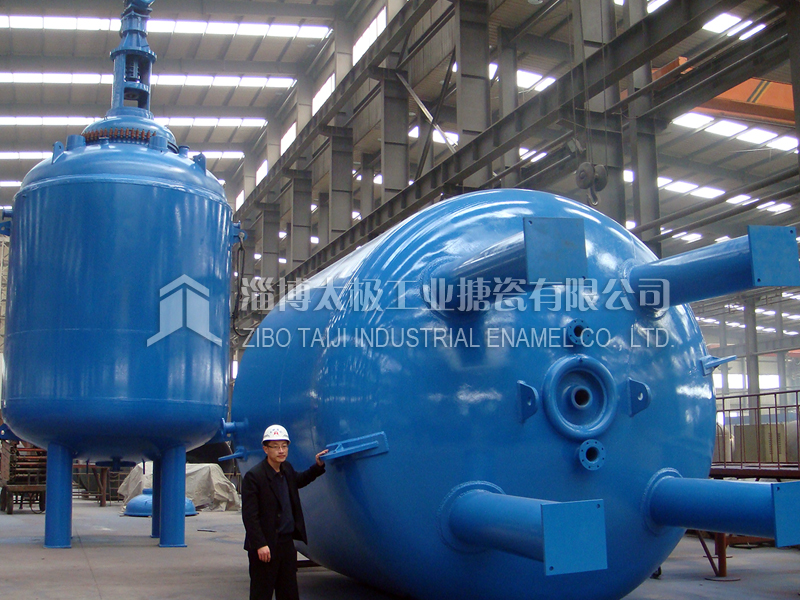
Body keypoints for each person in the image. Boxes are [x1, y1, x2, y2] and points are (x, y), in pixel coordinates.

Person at [241, 424, 329, 600]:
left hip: (286, 545)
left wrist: (318, 466)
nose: (281, 451)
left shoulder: (286, 469)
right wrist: (260, 544)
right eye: (275, 446)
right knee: (261, 593)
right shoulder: (254, 477)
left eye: (284, 446)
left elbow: (300, 480)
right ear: (265, 449)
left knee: (289, 592)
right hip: (265, 546)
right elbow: (250, 516)